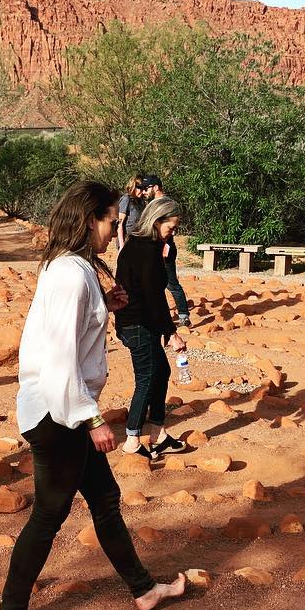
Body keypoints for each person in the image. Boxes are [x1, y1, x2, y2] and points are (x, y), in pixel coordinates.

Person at [0, 180, 186, 610]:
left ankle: (143, 589)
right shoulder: (68, 273)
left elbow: (69, 331)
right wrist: (92, 419)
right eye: (109, 220)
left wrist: (104, 302)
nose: (113, 229)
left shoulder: (76, 269)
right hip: (56, 411)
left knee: (104, 498)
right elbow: (60, 355)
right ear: (88, 220)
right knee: (49, 512)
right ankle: (13, 609)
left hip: (63, 408)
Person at [115, 196, 190, 460]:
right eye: (171, 228)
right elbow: (153, 297)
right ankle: (132, 440)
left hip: (138, 321)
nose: (173, 233)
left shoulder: (141, 245)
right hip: (137, 323)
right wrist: (172, 333)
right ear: (156, 222)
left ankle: (158, 434)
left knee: (161, 370)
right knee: (146, 378)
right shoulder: (146, 251)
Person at [139, 174, 191, 327]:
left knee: (171, 283)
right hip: (151, 248)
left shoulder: (169, 204)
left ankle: (183, 315)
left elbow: (173, 228)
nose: (144, 192)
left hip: (165, 248)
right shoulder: (150, 205)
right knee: (152, 283)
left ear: (155, 187)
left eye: (146, 188)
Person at [115, 175, 147, 251]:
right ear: (133, 186)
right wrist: (122, 245)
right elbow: (119, 224)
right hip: (127, 241)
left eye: (144, 188)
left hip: (138, 241)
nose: (142, 191)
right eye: (139, 188)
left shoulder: (141, 202)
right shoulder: (126, 199)